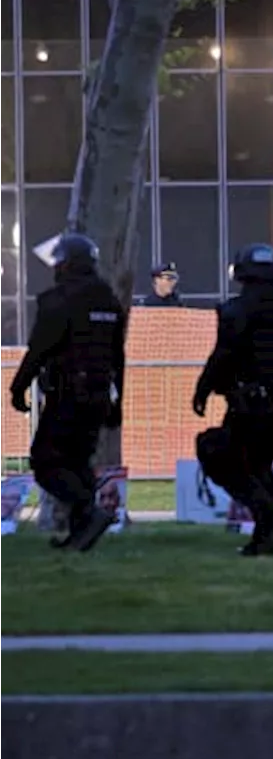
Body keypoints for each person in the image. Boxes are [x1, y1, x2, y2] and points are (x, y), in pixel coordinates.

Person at [9, 232, 125, 553]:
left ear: (66, 264)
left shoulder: (58, 300)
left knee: (46, 463)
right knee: (77, 463)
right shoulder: (110, 301)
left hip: (67, 397)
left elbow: (38, 350)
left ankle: (89, 511)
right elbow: (119, 357)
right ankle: (79, 537)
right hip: (99, 397)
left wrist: (18, 387)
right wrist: (119, 404)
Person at [193, 243, 273, 557]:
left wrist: (203, 389)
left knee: (216, 452)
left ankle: (270, 513)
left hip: (250, 402)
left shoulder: (238, 310)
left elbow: (224, 354)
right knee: (259, 465)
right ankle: (264, 538)